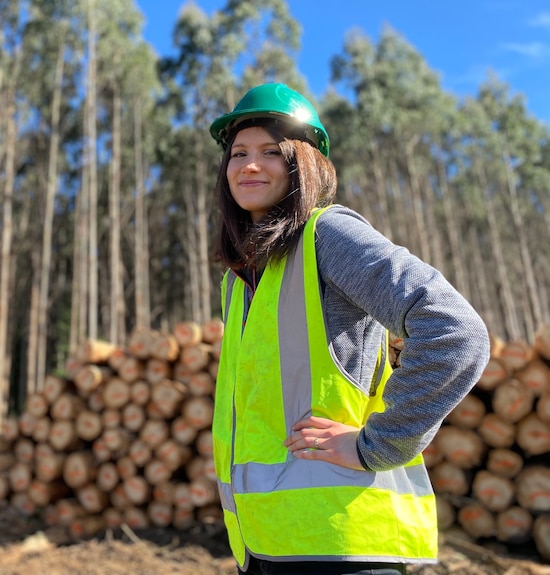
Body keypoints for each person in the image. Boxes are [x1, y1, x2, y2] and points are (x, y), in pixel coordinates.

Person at [208, 83, 491, 575]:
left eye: (270, 152)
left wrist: (376, 445)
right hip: (266, 546)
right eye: (238, 153)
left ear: (305, 163)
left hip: (342, 546)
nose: (249, 165)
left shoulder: (327, 235)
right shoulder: (240, 283)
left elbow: (456, 332)